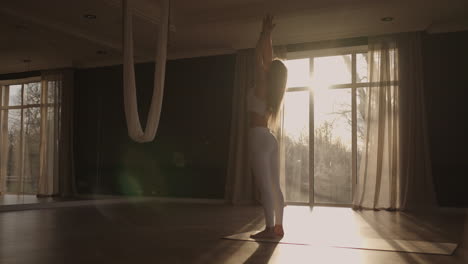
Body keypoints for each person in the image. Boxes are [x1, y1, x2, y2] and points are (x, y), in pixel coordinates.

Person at [248, 14, 288, 239]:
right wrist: (268, 34)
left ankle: (269, 229)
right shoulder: (274, 89)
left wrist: (263, 34)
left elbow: (258, 56)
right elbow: (266, 56)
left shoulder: (262, 83)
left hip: (257, 137)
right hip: (269, 138)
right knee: (275, 185)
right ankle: (278, 227)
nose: (266, 62)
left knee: (265, 187)